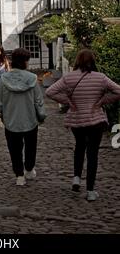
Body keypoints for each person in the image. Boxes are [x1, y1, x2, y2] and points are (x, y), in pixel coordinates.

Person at [46, 49, 120, 202]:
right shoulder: (101, 78)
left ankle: (76, 178)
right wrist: (103, 101)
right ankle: (91, 191)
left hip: (77, 119)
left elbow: (50, 92)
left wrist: (68, 102)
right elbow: (118, 90)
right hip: (96, 120)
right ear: (93, 61)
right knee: (92, 154)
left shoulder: (69, 77)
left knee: (79, 147)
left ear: (77, 61)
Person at [0, 48, 46, 186]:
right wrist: (41, 115)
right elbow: (38, 100)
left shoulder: (4, 79)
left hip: (11, 119)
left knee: (14, 149)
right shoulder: (32, 79)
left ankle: (19, 175)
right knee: (31, 146)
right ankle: (29, 169)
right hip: (30, 119)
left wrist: (0, 112)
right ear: (25, 62)